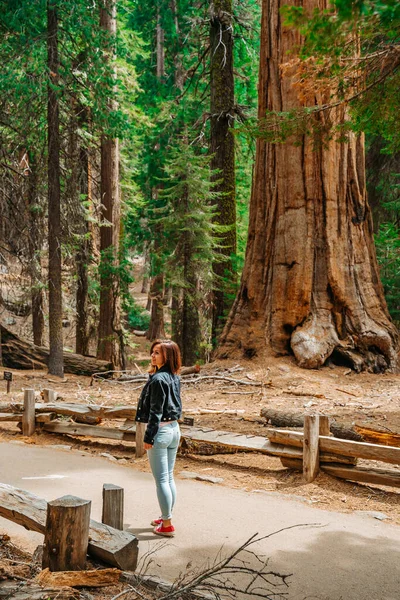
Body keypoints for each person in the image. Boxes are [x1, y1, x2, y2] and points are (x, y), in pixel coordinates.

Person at [135, 339, 182, 537]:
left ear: (167, 356)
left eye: (157, 353)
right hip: (174, 429)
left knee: (162, 479)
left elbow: (155, 411)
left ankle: (167, 524)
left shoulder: (158, 380)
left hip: (161, 431)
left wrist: (149, 436)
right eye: (152, 352)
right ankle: (165, 516)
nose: (152, 356)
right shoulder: (173, 376)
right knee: (169, 477)